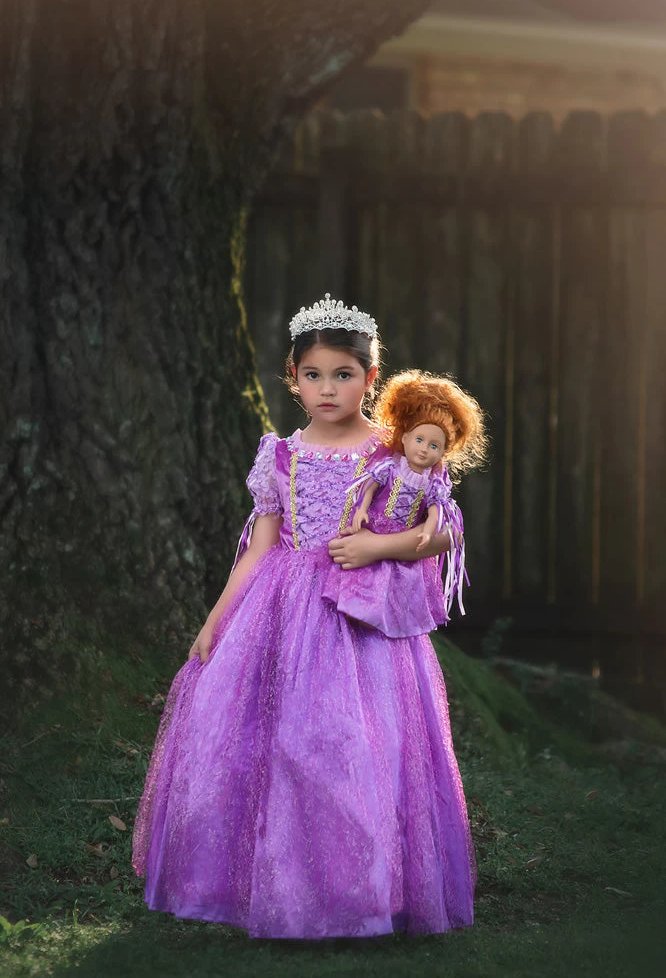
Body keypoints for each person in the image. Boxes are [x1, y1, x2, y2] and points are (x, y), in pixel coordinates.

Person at [132, 294, 477, 939]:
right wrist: (216, 619)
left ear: (371, 379)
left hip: (361, 618)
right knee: (276, 743)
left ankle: (361, 891)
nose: (327, 389)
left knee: (353, 745)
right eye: (313, 375)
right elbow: (260, 545)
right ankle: (266, 883)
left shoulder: (395, 452)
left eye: (343, 375)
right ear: (293, 377)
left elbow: (443, 531)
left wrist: (377, 546)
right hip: (282, 610)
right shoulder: (281, 455)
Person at [322, 370, 487, 639]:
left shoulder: (433, 480)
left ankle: (384, 615)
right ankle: (357, 607)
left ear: (443, 451)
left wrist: (427, 530)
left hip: (397, 537)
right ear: (406, 437)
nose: (423, 449)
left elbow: (440, 516)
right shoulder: (389, 464)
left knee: (394, 579)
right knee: (365, 576)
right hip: (373, 527)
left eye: (434, 446)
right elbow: (369, 485)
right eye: (419, 440)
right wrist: (361, 509)